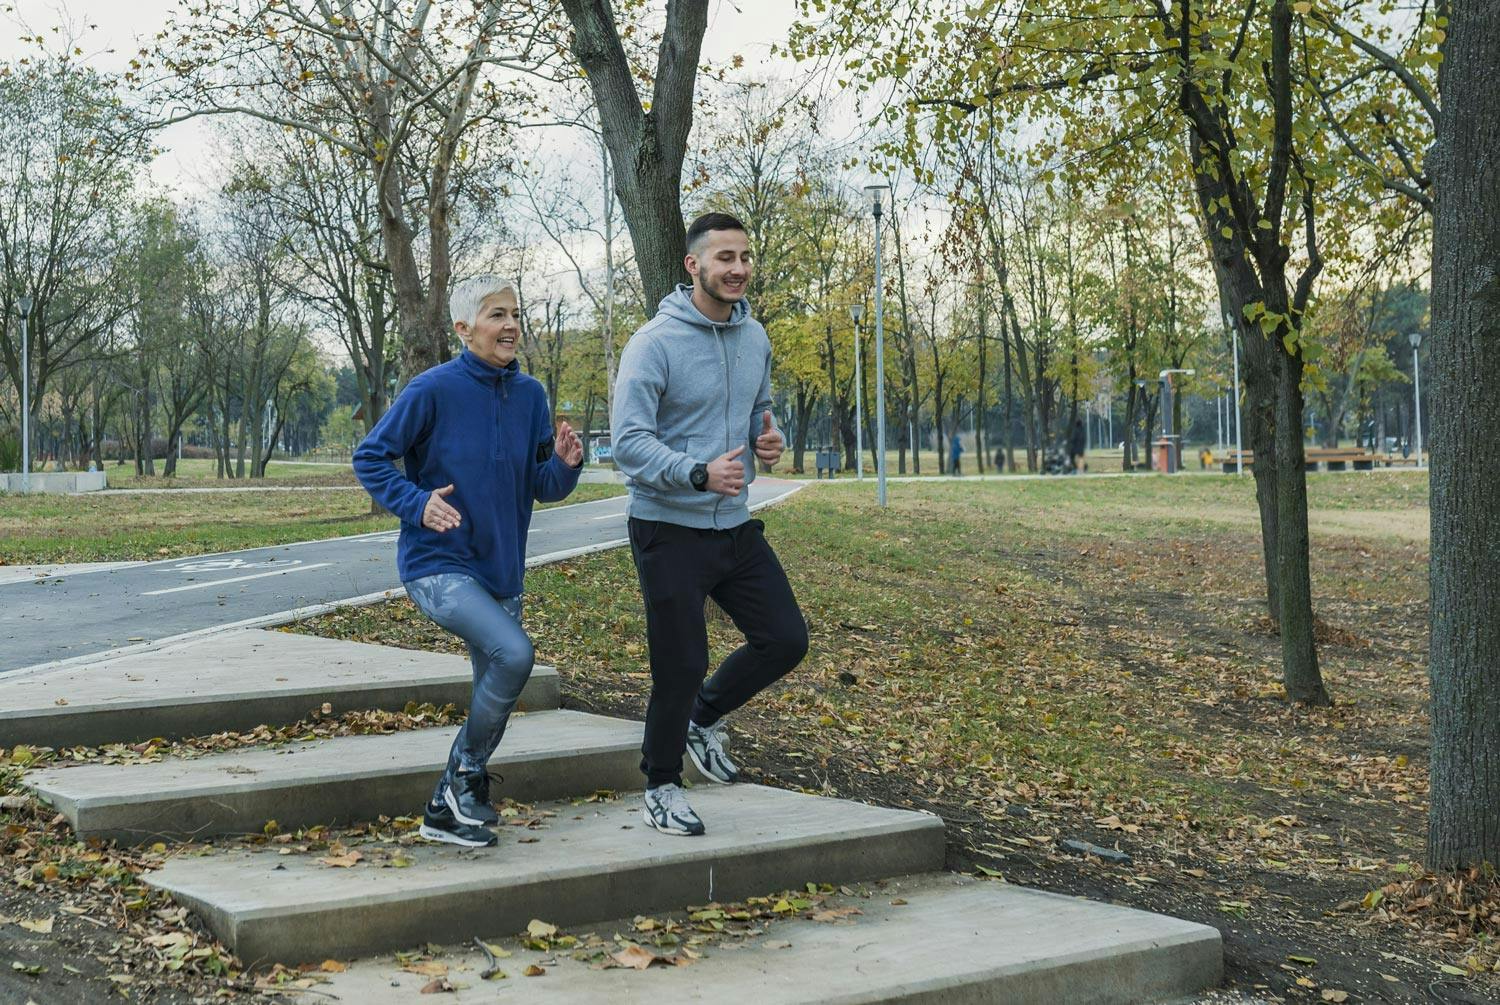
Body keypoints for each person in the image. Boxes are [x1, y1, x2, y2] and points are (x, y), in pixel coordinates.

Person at [353, 276, 584, 847]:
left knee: (496, 688)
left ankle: (445, 808)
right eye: (495, 315)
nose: (510, 325)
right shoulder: (431, 390)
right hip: (439, 565)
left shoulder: (531, 395)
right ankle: (462, 778)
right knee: (516, 654)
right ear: (463, 328)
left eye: (515, 313)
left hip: (503, 567)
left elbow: (540, 485)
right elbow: (370, 458)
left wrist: (565, 464)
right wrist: (417, 503)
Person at [612, 212, 809, 837]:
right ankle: (661, 785)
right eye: (725, 258)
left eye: (745, 257)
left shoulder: (756, 338)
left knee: (785, 638)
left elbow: (759, 410)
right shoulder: (654, 343)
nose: (738, 269)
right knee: (680, 662)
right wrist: (696, 473)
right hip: (668, 525)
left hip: (733, 525)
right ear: (693, 265)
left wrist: (768, 440)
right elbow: (628, 444)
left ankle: (704, 718)